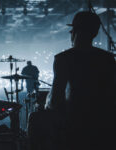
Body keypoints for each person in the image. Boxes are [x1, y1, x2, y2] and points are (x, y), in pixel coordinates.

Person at [45, 11, 115, 150]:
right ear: (95, 33)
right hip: (105, 127)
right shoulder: (107, 59)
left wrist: (47, 105)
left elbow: (56, 99)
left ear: (74, 31)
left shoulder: (63, 59)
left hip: (74, 127)